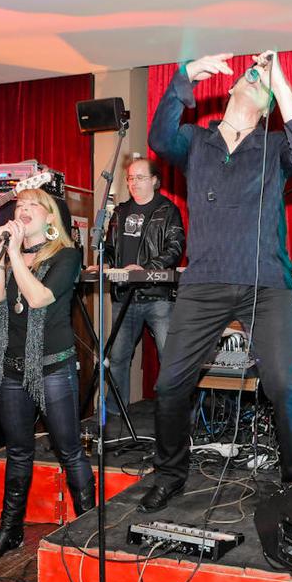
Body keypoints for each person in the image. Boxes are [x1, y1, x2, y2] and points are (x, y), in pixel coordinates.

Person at [141, 50, 292, 512]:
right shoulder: (195, 141)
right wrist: (184, 75)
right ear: (229, 89)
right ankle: (169, 474)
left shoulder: (275, 146)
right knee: (170, 384)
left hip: (267, 282)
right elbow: (159, 137)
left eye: (262, 81)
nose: (254, 77)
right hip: (204, 281)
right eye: (249, 74)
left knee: (284, 384)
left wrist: (279, 79)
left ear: (268, 108)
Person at [0, 187, 95, 559]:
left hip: (53, 367)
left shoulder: (67, 255)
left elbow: (39, 298)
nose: (24, 209)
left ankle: (89, 532)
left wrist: (14, 254)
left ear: (49, 218)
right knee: (18, 452)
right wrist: (0, 251)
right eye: (20, 205)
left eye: (34, 205)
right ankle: (10, 531)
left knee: (69, 451)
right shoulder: (10, 251)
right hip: (12, 368)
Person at [86, 157, 185, 416]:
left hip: (157, 296)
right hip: (124, 296)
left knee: (169, 357)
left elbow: (175, 249)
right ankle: (115, 414)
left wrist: (146, 269)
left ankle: (172, 414)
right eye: (130, 178)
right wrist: (104, 263)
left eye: (140, 177)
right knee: (118, 357)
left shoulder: (167, 210)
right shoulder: (120, 212)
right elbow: (109, 248)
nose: (134, 182)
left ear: (155, 180)